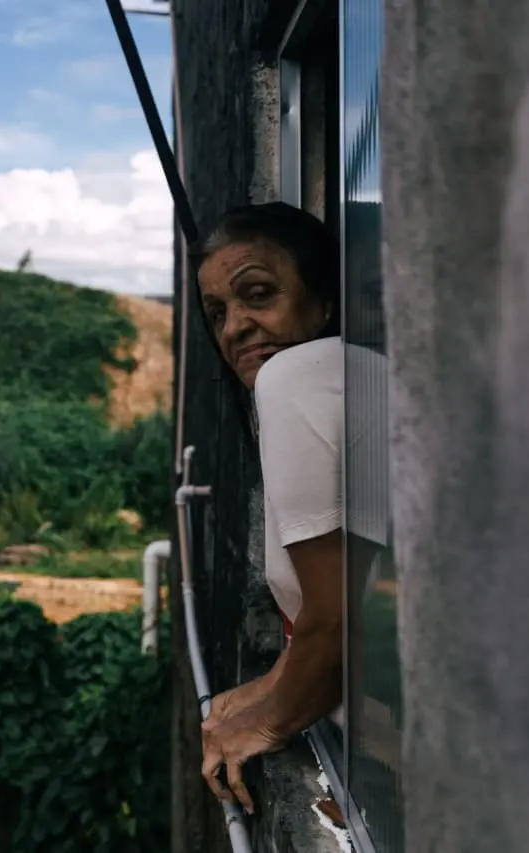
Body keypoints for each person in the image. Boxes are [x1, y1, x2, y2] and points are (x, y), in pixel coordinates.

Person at [192, 202, 346, 815]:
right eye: (218, 313)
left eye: (258, 294)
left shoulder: (297, 378)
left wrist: (263, 726)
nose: (235, 327)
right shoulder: (343, 379)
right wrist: (268, 686)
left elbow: (338, 619)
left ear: (323, 300)